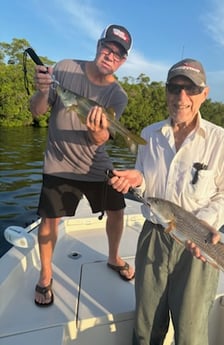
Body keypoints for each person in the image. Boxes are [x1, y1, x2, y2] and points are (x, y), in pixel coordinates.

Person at [109, 58, 224, 345]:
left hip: (199, 243)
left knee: (190, 334)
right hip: (154, 235)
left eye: (190, 89)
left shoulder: (220, 139)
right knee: (146, 327)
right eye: (174, 87)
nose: (181, 97)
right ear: (165, 91)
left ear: (205, 93)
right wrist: (136, 180)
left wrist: (205, 225)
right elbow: (147, 187)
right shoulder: (148, 135)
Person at [30, 24, 135, 307]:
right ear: (99, 45)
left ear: (123, 61)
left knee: (117, 207)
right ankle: (45, 274)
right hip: (59, 162)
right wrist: (42, 91)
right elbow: (37, 110)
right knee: (49, 220)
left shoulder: (118, 96)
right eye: (108, 47)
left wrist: (96, 129)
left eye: (118, 53)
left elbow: (101, 138)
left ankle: (113, 257)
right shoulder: (64, 68)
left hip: (94, 162)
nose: (110, 55)